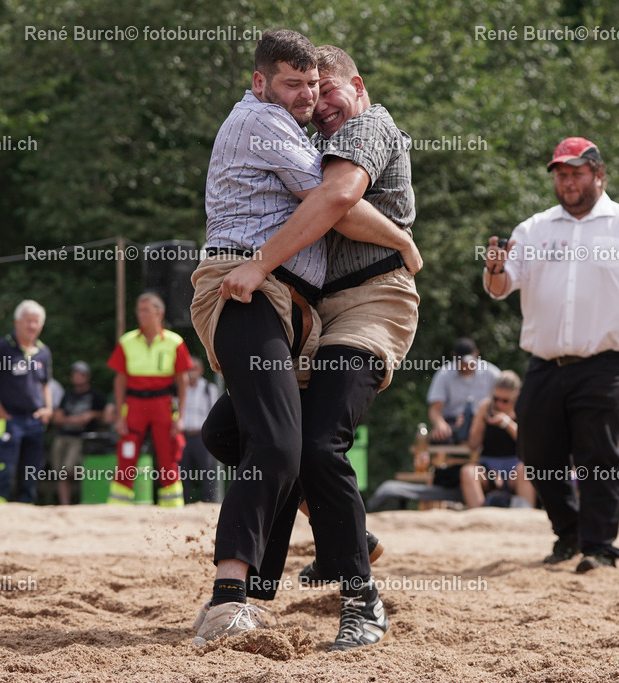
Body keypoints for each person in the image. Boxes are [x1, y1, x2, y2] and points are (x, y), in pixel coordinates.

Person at [189, 31, 417, 649]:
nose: (320, 105)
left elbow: (338, 198)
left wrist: (401, 239)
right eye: (307, 94)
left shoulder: (369, 128)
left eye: (325, 89)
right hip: (309, 311)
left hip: (369, 302)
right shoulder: (298, 134)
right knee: (232, 435)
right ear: (265, 83)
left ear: (358, 85)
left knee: (314, 444)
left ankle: (359, 599)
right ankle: (335, 535)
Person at [483, 136, 619, 573]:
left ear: (598, 174)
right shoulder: (534, 228)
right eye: (561, 175)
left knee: (597, 452)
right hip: (545, 363)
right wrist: (495, 269)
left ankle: (600, 547)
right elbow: (502, 288)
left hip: (606, 362)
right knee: (536, 452)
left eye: (576, 173)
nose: (568, 182)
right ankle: (569, 531)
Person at [107, 293, 192, 508]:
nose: (141, 315)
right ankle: (118, 508)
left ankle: (172, 507)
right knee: (127, 452)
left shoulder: (175, 342)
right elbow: (119, 381)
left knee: (168, 455)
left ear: (159, 313)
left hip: (163, 404)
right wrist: (119, 415)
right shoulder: (127, 341)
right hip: (134, 404)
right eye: (139, 310)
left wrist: (180, 417)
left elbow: (182, 382)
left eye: (146, 310)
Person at [0, 299, 53, 504]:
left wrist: (48, 409)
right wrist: (0, 412)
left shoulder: (44, 352)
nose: (32, 326)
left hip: (35, 420)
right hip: (10, 418)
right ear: (17, 322)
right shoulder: (1, 347)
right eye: (28, 321)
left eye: (36, 321)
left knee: (31, 472)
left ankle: (24, 512)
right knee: (5, 469)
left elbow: (45, 385)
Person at [459, 370, 535, 509]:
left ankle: (526, 516)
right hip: (489, 468)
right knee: (468, 472)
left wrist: (506, 423)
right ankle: (479, 519)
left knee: (525, 470)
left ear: (516, 395)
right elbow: (473, 446)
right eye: (496, 399)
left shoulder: (524, 408)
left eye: (505, 400)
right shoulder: (485, 407)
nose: (499, 404)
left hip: (516, 467)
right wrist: (477, 424)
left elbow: (530, 445)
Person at [50, 361, 106, 505]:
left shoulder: (95, 395)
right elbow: (57, 418)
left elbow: (105, 417)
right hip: (63, 436)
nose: (76, 377)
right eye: (74, 374)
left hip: (82, 439)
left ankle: (87, 498)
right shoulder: (67, 395)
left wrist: (91, 415)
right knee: (61, 473)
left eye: (80, 374)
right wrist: (74, 420)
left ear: (87, 377)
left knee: (69, 470)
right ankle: (65, 504)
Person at [427, 338, 501, 445]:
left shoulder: (492, 374)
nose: (465, 365)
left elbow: (504, 403)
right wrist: (440, 424)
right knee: (439, 437)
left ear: (476, 354)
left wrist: (479, 420)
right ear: (453, 356)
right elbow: (435, 409)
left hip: (484, 421)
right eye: (461, 361)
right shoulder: (444, 374)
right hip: (453, 423)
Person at [180, 358, 222, 504]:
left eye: (194, 368)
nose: (191, 372)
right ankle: (184, 503)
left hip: (200, 435)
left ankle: (209, 502)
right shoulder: (180, 388)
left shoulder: (208, 389)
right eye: (189, 368)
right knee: (183, 472)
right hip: (183, 435)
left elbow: (214, 413)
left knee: (206, 471)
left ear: (201, 370)